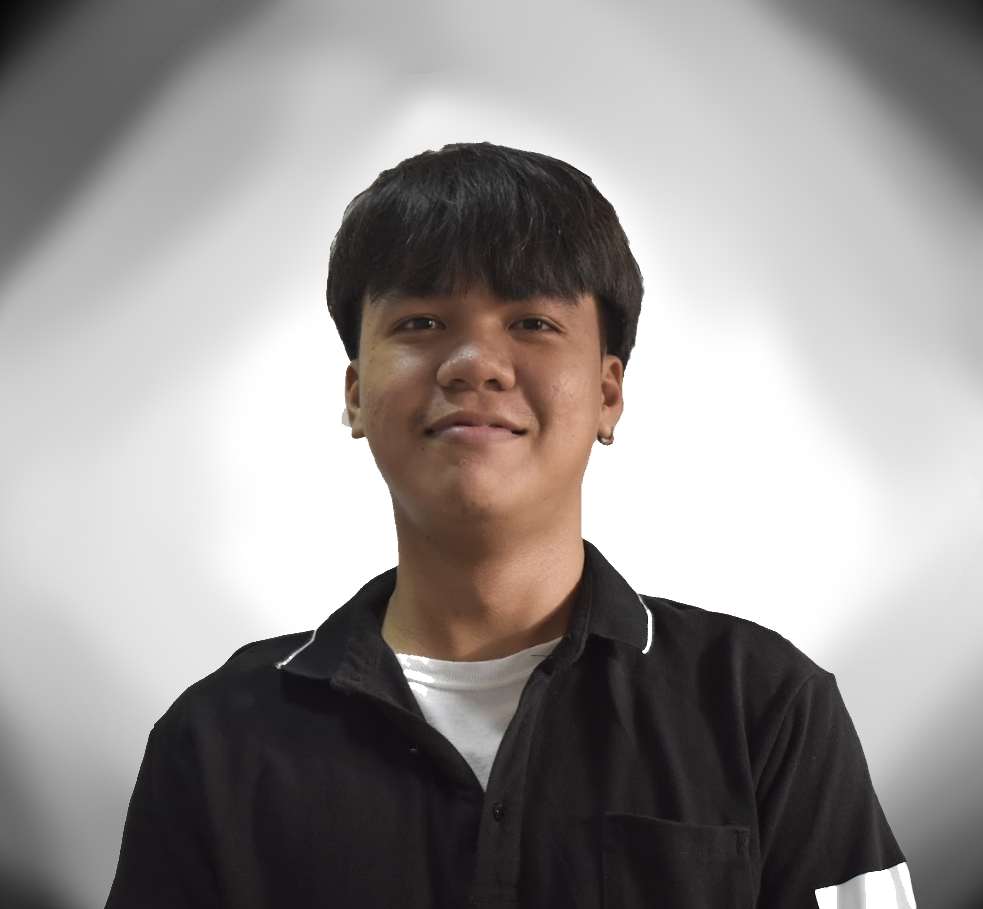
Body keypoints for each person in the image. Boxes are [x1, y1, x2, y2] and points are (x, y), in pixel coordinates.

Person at [105, 142, 915, 908]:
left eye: (531, 322)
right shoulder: (214, 741)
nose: (474, 363)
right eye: (421, 323)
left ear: (607, 393)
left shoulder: (765, 708)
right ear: (354, 393)